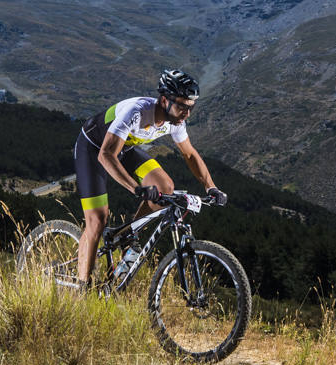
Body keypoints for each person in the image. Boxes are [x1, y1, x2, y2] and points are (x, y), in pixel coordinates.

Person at [74, 68, 227, 287]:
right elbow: (106, 155)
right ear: (165, 100)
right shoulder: (136, 112)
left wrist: (211, 187)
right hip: (95, 148)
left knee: (165, 186)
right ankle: (82, 287)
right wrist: (135, 188)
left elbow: (190, 154)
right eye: (183, 106)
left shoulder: (176, 121)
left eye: (190, 107)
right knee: (97, 220)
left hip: (124, 148)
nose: (187, 114)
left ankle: (128, 235)